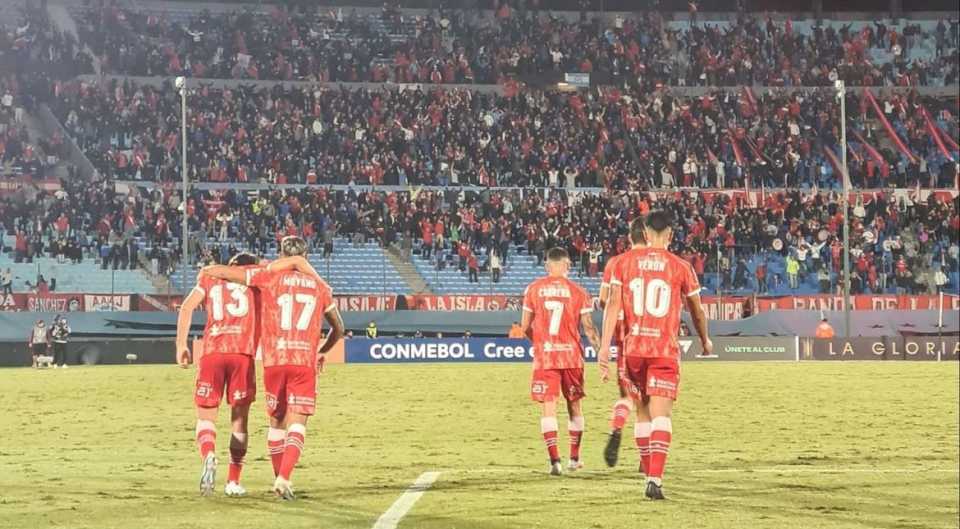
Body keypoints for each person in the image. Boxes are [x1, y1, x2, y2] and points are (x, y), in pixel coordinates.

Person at [202, 236, 344, 500]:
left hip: (274, 361)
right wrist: (322, 351)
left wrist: (210, 269)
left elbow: (225, 273)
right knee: (297, 424)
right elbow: (339, 328)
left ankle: (278, 478)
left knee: (276, 424)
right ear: (307, 255)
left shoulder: (267, 277)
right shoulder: (319, 286)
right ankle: (283, 478)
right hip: (303, 361)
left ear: (280, 254)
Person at [599, 212, 712, 500]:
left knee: (642, 412)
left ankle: (647, 466)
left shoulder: (623, 262)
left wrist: (603, 347)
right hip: (663, 349)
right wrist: (704, 340)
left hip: (634, 348)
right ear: (671, 236)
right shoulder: (681, 267)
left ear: (645, 234)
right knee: (662, 414)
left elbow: (611, 305)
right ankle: (654, 479)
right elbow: (697, 311)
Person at [176, 252, 262, 497]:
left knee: (205, 415)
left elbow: (186, 307)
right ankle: (233, 481)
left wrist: (181, 345)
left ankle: (209, 453)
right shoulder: (257, 282)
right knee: (239, 421)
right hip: (242, 354)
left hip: (213, 352)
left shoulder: (210, 279)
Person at [521, 247, 600, 475]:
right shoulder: (578, 291)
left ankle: (554, 461)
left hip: (546, 356)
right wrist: (601, 353)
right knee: (574, 405)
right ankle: (574, 459)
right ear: (567, 265)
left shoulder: (533, 289)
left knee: (549, 407)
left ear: (547, 265)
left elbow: (524, 326)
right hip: (572, 356)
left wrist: (538, 341)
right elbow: (588, 328)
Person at [600, 218, 646, 468]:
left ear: (629, 238)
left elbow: (604, 300)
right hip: (651, 335)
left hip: (623, 333)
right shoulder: (659, 262)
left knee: (627, 395)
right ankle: (644, 458)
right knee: (647, 402)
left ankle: (617, 427)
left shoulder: (616, 263)